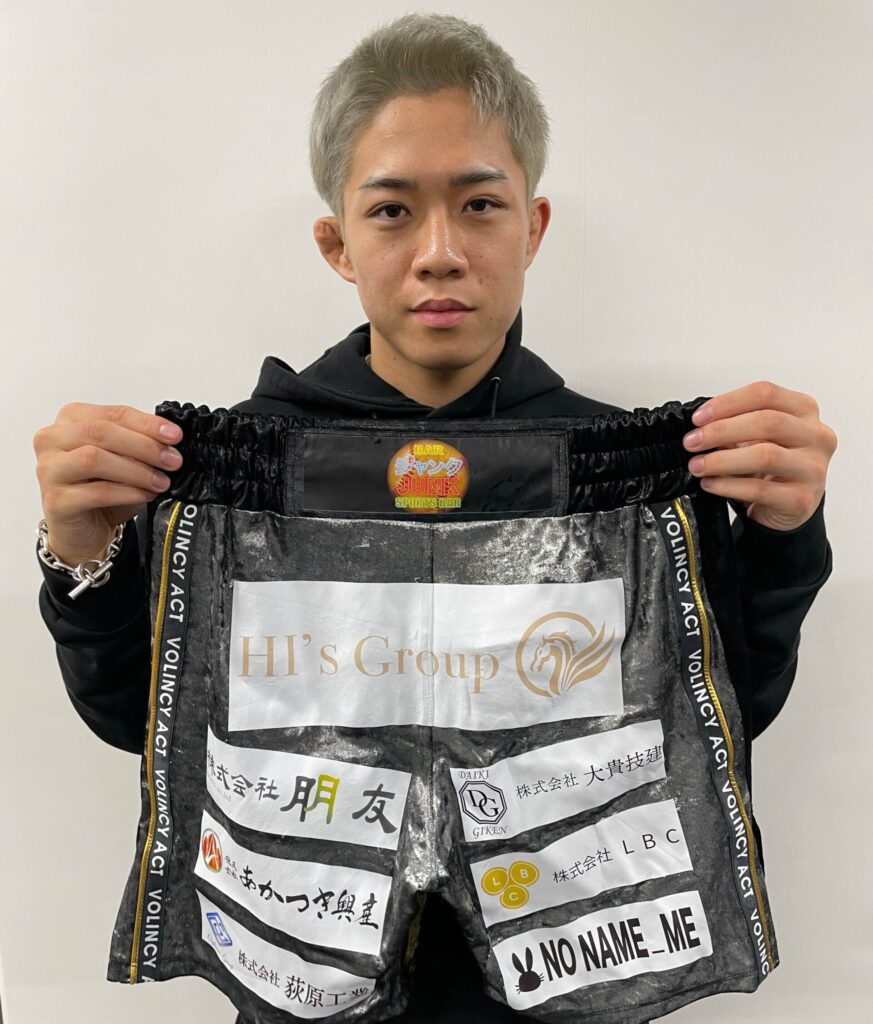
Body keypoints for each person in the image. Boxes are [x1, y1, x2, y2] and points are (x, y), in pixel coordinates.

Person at [32, 12, 836, 1024]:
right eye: (392, 211)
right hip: (306, 979)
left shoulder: (623, 472)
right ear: (337, 242)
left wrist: (780, 535)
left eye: (479, 204)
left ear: (532, 226)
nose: (440, 253)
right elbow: (135, 719)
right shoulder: (234, 468)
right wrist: (82, 550)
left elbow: (722, 715)